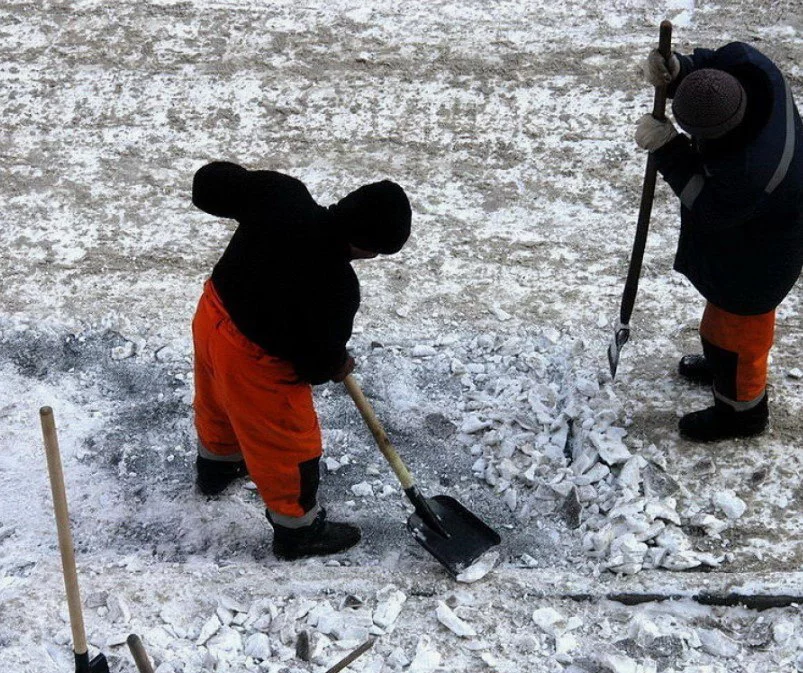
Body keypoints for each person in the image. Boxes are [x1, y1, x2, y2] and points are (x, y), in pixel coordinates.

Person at [190, 161, 411, 558]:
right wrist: (336, 363)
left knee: (217, 405)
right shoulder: (337, 288)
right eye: (378, 250)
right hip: (255, 358)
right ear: (368, 245)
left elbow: (208, 186)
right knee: (288, 445)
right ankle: (298, 532)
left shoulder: (282, 195)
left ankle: (218, 469)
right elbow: (313, 364)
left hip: (212, 317)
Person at [635, 41, 803, 442]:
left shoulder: (752, 170)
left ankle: (741, 413)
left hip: (765, 252)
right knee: (721, 320)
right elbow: (710, 66)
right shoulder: (748, 65)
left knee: (740, 334)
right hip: (747, 237)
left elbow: (708, 207)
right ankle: (719, 364)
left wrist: (670, 150)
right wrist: (680, 69)